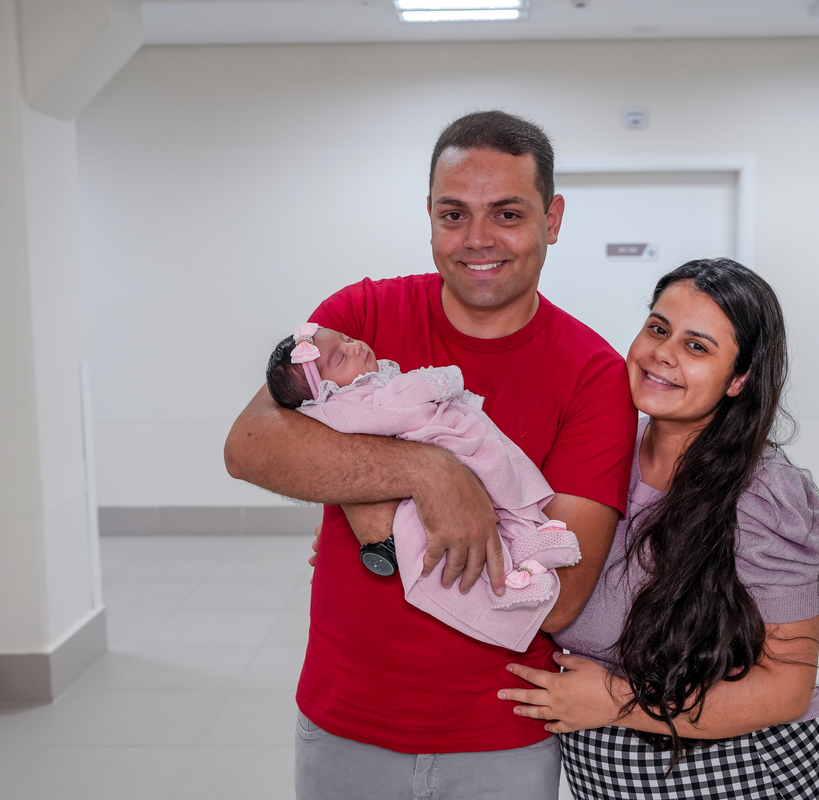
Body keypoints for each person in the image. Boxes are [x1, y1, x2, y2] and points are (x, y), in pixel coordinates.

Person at [224, 110, 638, 799]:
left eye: (507, 214)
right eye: (454, 215)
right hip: (344, 719)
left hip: (501, 736)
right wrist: (428, 472)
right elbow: (249, 445)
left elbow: (558, 599)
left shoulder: (593, 374)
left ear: (553, 219)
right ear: (430, 218)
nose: (477, 239)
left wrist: (374, 517)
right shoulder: (359, 318)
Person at [499, 258, 819, 799]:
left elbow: (786, 689)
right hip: (610, 771)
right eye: (658, 329)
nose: (663, 353)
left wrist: (616, 701)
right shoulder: (596, 450)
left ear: (739, 379)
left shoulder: (763, 495)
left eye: (697, 346)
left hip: (740, 770)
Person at [264, 322, 584, 652]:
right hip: (457, 449)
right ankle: (511, 575)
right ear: (323, 391)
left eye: (347, 339)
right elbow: (409, 397)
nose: (355, 347)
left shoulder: (355, 396)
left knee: (494, 507)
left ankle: (526, 552)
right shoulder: (355, 402)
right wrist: (444, 378)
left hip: (446, 452)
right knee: (492, 509)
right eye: (341, 358)